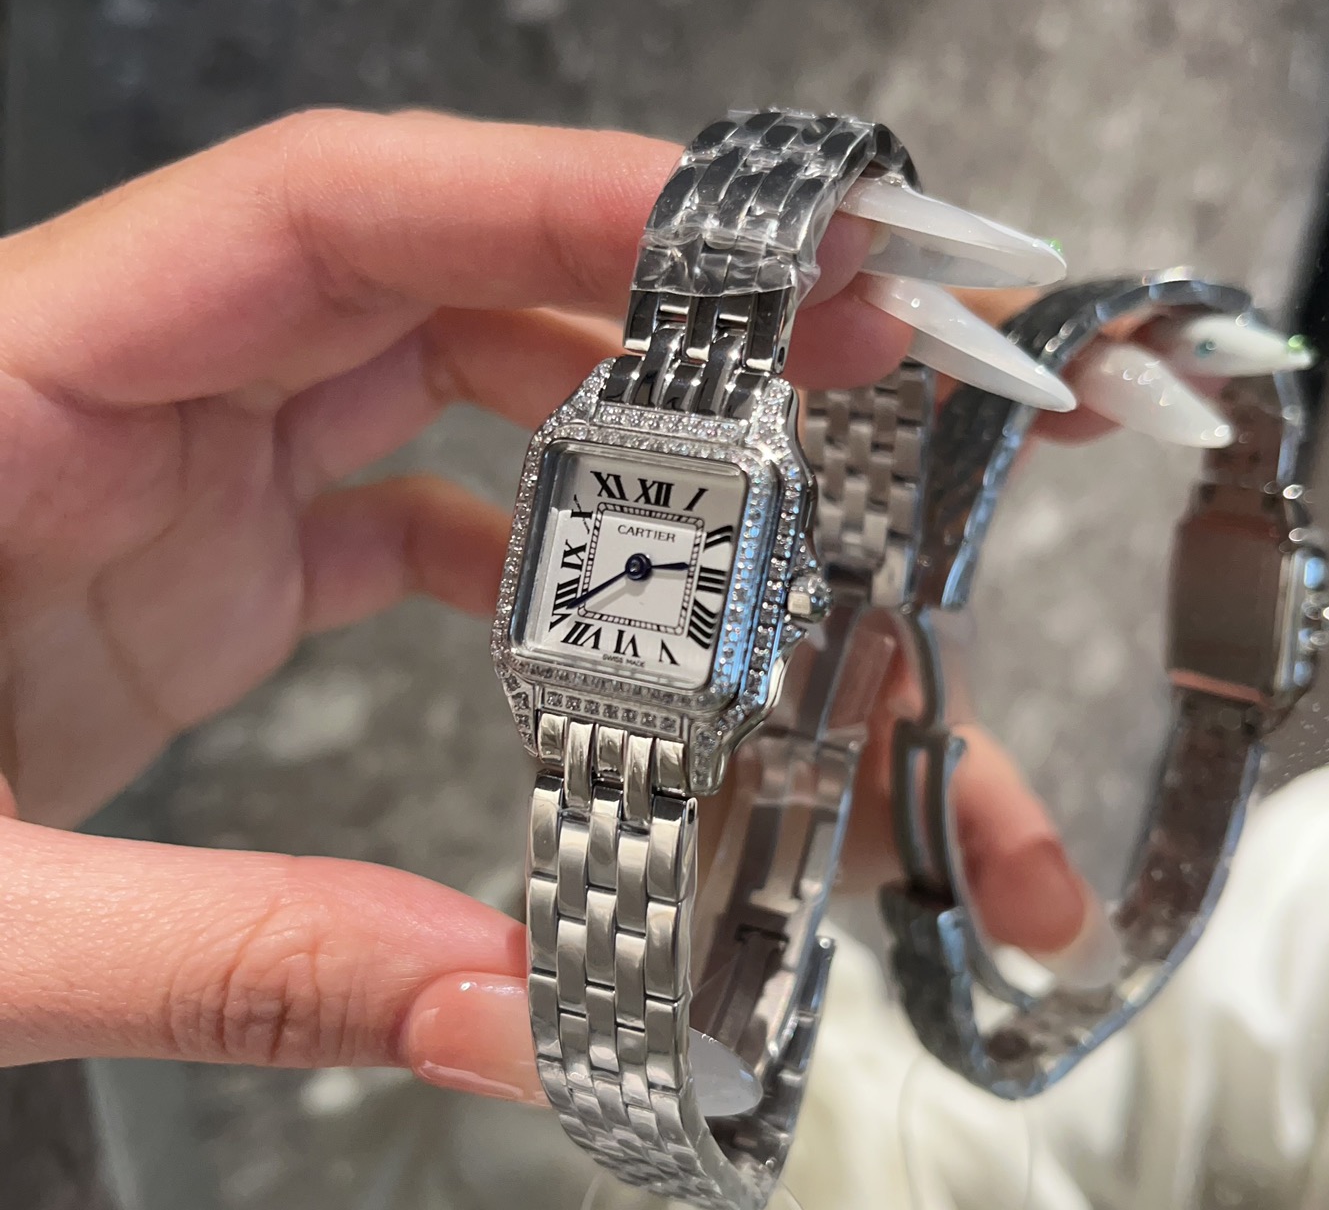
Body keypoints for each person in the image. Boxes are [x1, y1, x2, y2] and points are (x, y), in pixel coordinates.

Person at [0, 108, 1090, 1099]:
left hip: (651, 706)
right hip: (589, 692)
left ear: (792, 599)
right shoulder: (596, 454)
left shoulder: (771, 553)